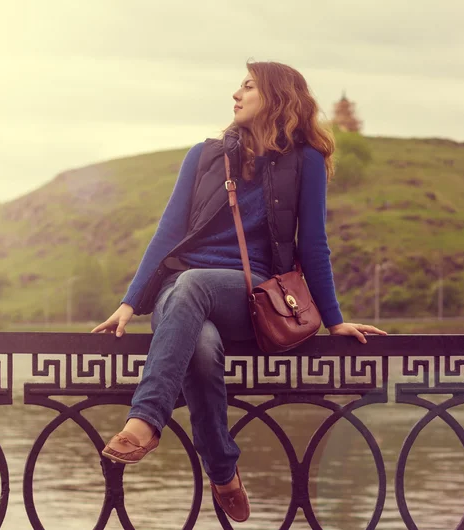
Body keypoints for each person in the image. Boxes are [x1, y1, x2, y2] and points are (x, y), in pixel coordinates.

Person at [91, 60, 387, 523]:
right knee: (203, 347)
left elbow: (312, 244)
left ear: (276, 96)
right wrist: (130, 302)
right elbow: (168, 233)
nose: (236, 94)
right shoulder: (204, 155)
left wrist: (333, 319)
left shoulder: (304, 160)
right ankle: (224, 471)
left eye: (248, 86)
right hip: (182, 292)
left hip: (253, 296)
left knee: (193, 285)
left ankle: (146, 419)